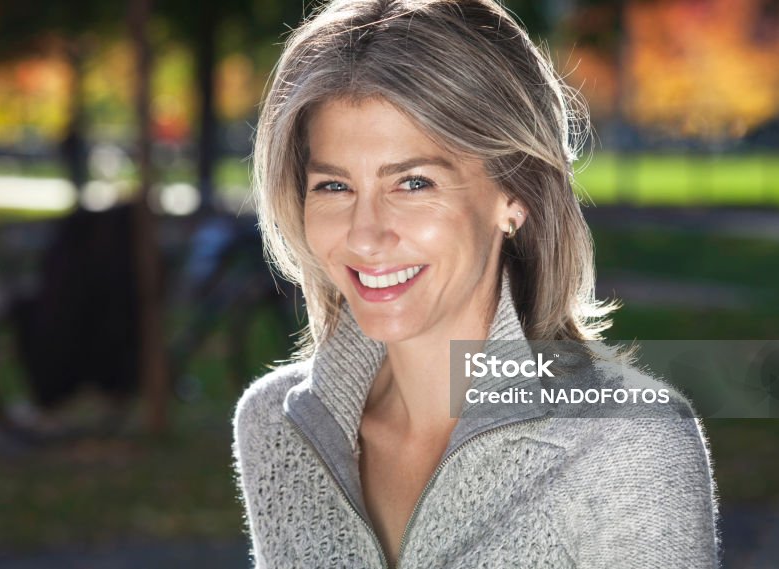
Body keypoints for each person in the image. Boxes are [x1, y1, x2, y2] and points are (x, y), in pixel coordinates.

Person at [233, 0, 720, 567]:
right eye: (334, 187)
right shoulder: (276, 426)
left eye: (413, 183)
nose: (364, 237)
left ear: (514, 196)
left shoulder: (626, 443)